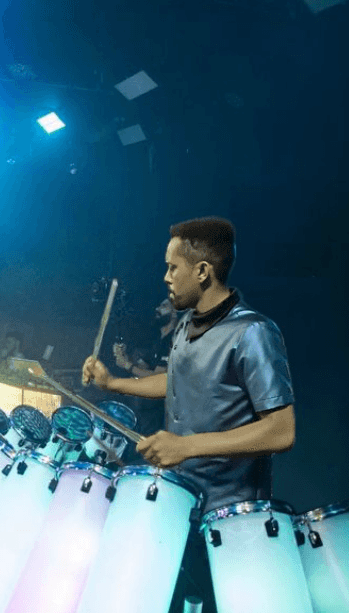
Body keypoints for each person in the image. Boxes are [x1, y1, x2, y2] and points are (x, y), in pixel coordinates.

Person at [82, 217, 295, 513]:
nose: (166, 277)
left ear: (202, 271)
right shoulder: (184, 326)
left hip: (230, 513)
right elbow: (175, 381)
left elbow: (281, 430)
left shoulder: (252, 332)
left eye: (173, 268)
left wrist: (186, 446)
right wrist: (112, 383)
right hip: (180, 497)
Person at [112, 297, 178, 378]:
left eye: (164, 306)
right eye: (158, 306)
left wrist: (127, 365)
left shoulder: (173, 340)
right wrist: (124, 357)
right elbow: (145, 369)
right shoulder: (158, 340)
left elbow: (158, 378)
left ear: (174, 313)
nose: (157, 309)